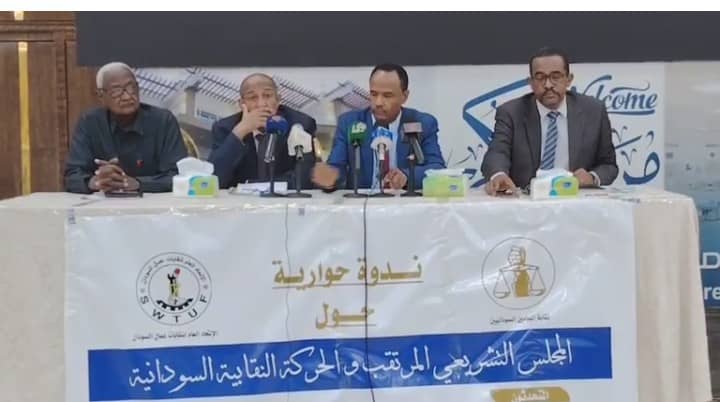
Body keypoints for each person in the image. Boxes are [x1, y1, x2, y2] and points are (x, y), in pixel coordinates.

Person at [481, 47, 618, 195]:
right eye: (540, 77)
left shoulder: (594, 110)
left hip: (575, 198)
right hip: (527, 199)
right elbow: (497, 153)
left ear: (569, 79)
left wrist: (592, 177)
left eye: (556, 76)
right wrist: (498, 175)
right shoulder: (511, 113)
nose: (548, 85)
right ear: (530, 82)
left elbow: (609, 165)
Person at [312, 63, 445, 191]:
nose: (378, 102)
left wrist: (406, 176)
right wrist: (329, 177)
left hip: (403, 202)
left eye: (387, 95)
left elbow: (437, 167)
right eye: (374, 94)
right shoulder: (350, 123)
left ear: (404, 96)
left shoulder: (422, 123)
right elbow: (336, 166)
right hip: (361, 202)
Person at [64, 62, 187, 194]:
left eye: (131, 88)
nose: (127, 96)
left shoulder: (163, 121)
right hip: (104, 204)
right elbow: (72, 176)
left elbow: (179, 176)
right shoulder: (90, 122)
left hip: (153, 203)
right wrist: (97, 181)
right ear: (101, 95)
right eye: (116, 91)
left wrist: (138, 183)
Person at [208, 73, 317, 189]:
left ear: (278, 100)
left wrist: (251, 186)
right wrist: (240, 131)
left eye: (267, 95)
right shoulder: (225, 128)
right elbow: (214, 179)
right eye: (252, 97)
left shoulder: (300, 124)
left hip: (282, 199)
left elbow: (304, 180)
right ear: (242, 104)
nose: (261, 104)